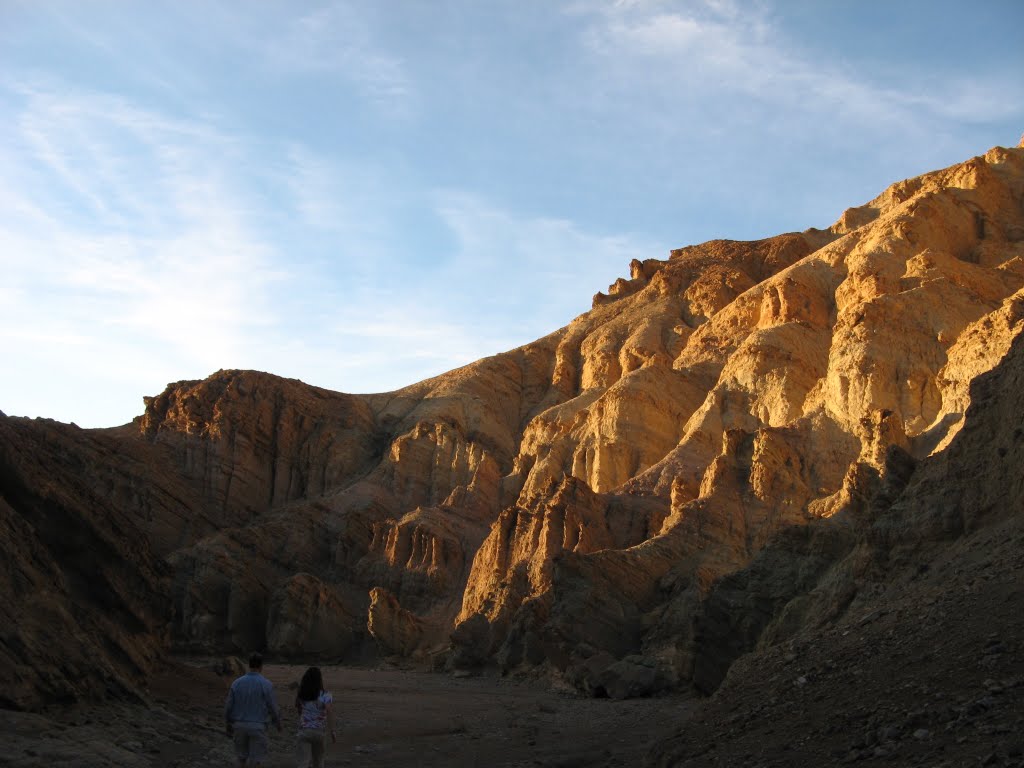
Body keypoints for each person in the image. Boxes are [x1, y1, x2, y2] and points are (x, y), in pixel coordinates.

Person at [224, 652, 282, 767]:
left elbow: (228, 706)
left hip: (239, 726)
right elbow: (273, 707)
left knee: (241, 759)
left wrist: (228, 723)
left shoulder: (236, 683)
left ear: (249, 665)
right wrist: (278, 723)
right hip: (258, 726)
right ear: (261, 666)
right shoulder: (266, 684)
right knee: (256, 761)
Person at [294, 666, 336, 768]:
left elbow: (299, 709)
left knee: (303, 763)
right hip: (319, 732)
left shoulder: (302, 694)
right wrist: (332, 731)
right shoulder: (326, 695)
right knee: (319, 763)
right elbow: (329, 711)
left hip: (304, 731)